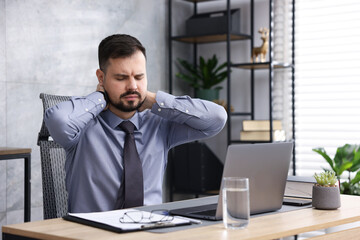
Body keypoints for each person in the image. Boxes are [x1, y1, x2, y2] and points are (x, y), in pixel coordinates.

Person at [45, 34, 227, 213]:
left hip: (152, 230)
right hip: (94, 233)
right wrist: (99, 98)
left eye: (139, 77)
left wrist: (152, 99)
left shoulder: (159, 124)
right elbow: (60, 120)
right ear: (101, 78)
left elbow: (216, 118)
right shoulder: (82, 127)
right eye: (121, 78)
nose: (132, 86)